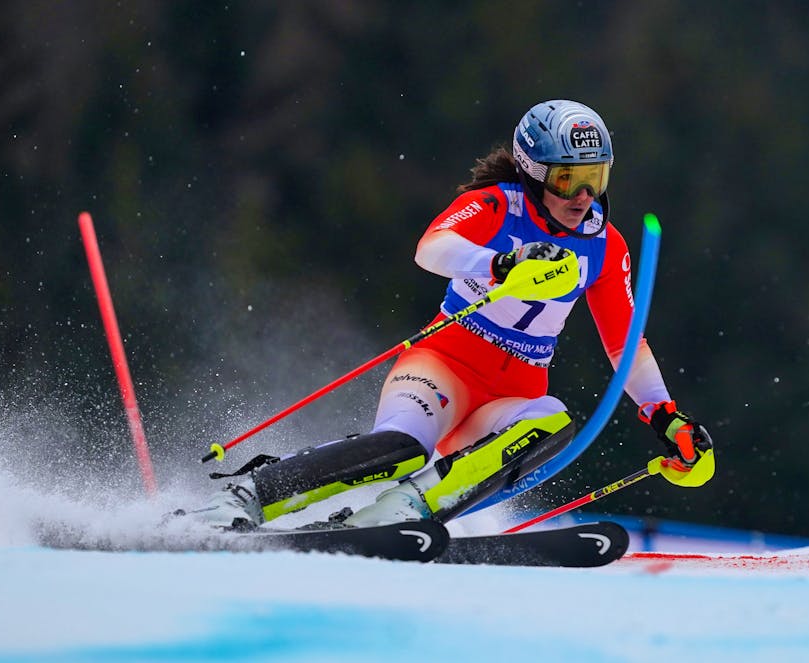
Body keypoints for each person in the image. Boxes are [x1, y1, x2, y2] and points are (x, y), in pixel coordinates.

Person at [190, 99, 713, 531]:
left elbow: (626, 346)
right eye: (566, 180)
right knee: (403, 448)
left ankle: (392, 517)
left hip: (512, 395)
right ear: (534, 172)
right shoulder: (497, 207)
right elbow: (431, 249)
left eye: (594, 180)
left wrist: (665, 416)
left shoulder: (605, 244)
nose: (581, 197)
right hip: (444, 364)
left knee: (552, 420)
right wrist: (502, 263)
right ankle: (247, 496)